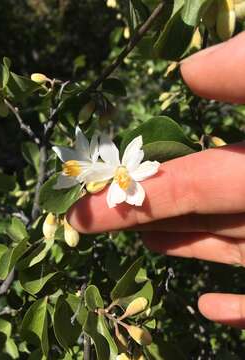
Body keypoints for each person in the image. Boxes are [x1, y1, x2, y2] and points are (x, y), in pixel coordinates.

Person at [68, 32, 245, 328]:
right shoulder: (110, 178)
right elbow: (114, 189)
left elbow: (125, 184)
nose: (121, 179)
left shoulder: (124, 168)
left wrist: (121, 179)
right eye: (119, 178)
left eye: (121, 176)